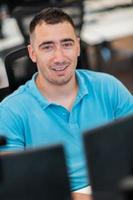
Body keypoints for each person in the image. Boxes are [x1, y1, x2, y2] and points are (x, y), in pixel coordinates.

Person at [0, 7, 133, 199]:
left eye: (67, 44)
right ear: (32, 53)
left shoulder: (107, 86)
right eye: (47, 47)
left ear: (78, 47)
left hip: (115, 187)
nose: (60, 57)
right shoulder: (10, 112)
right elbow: (16, 188)